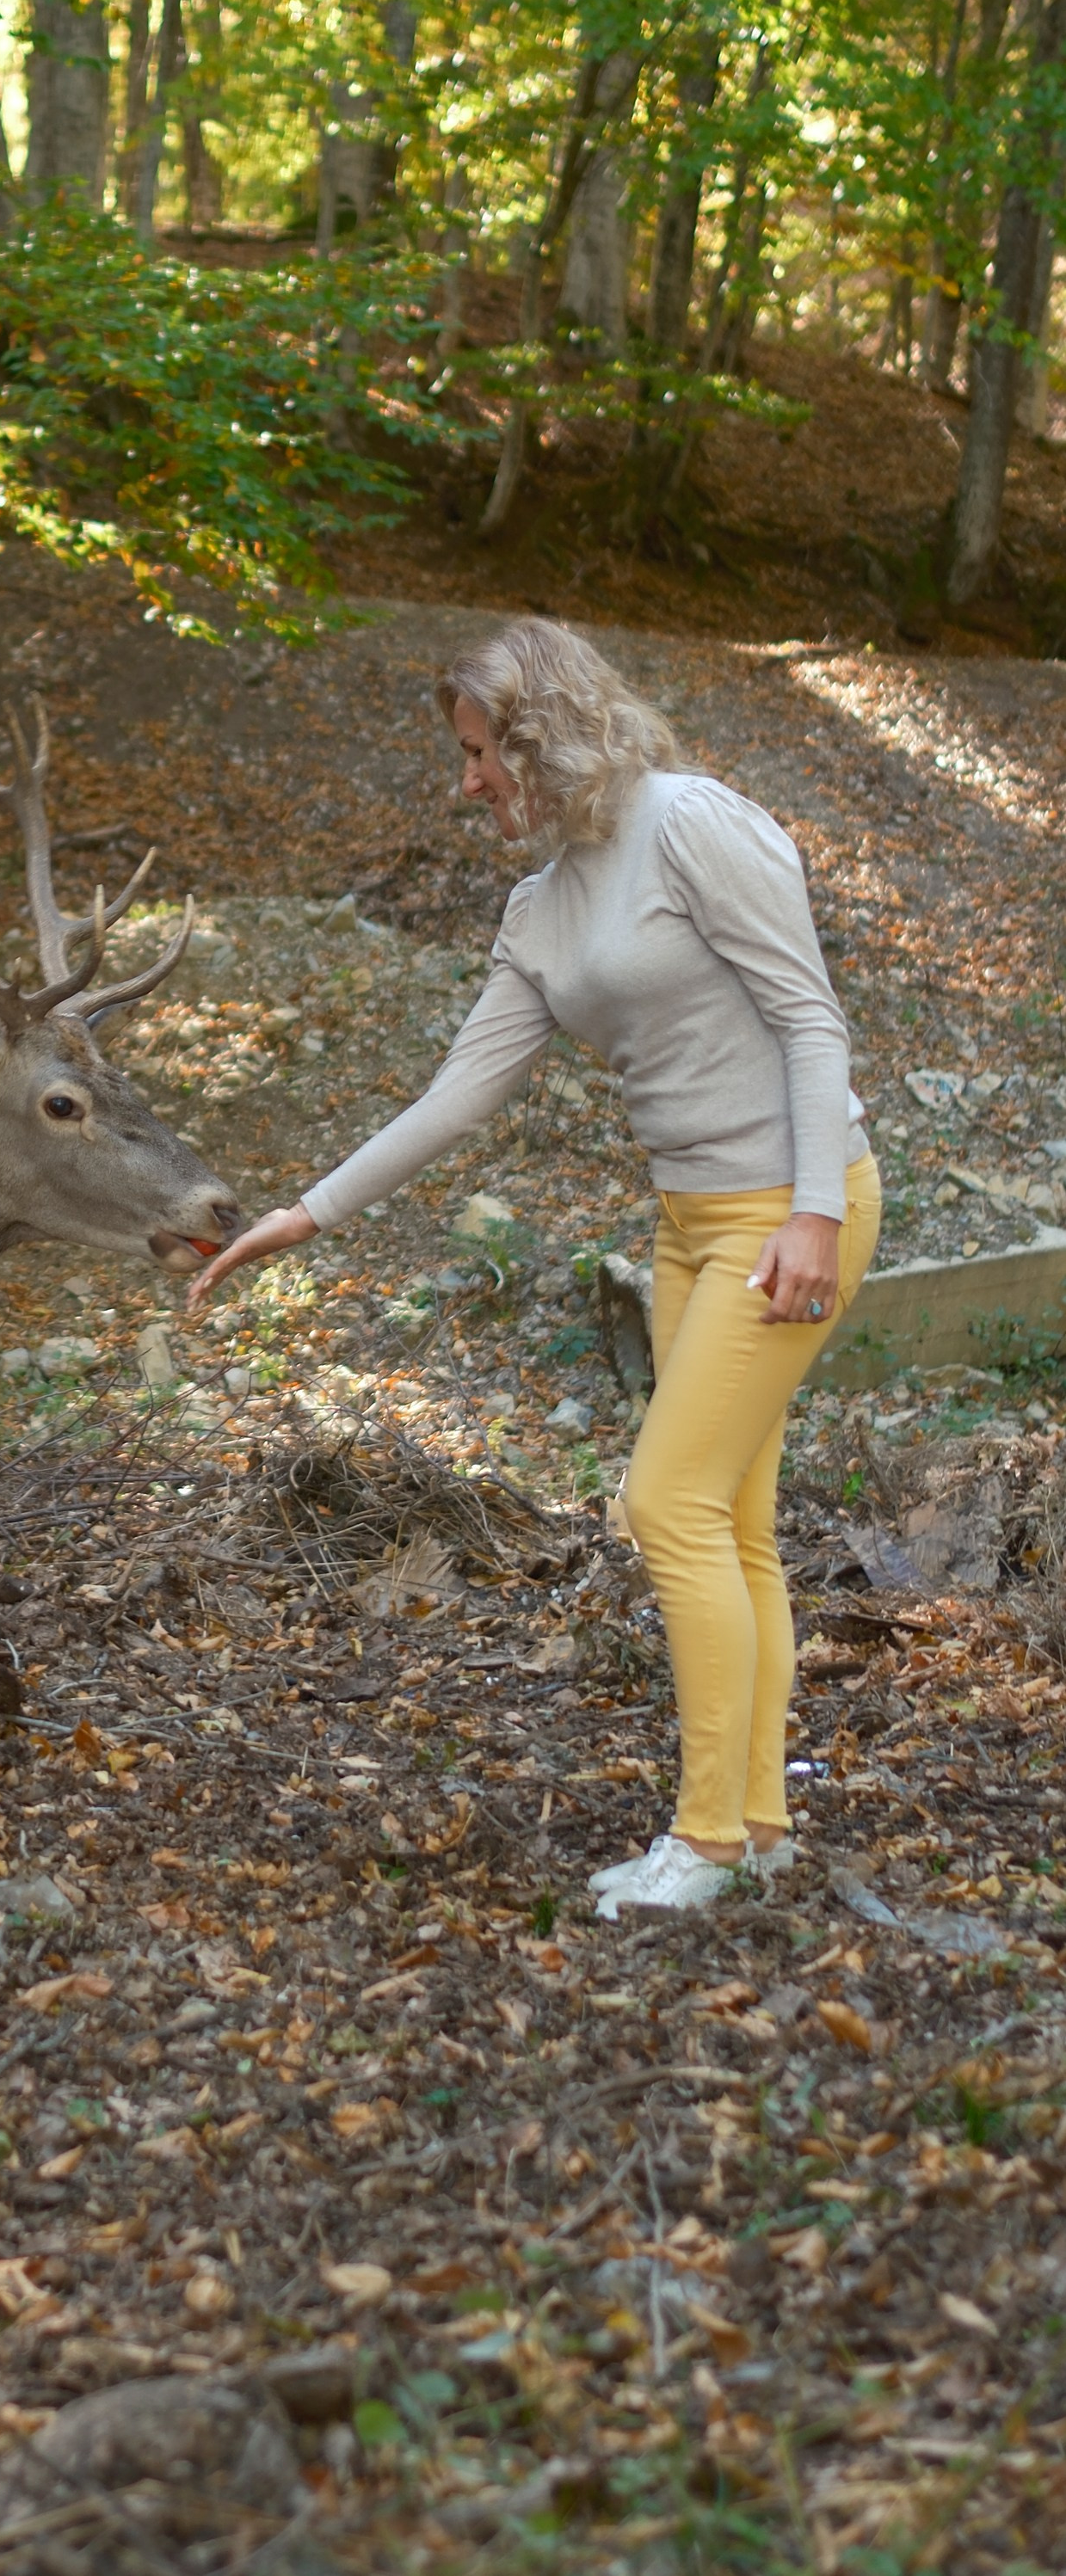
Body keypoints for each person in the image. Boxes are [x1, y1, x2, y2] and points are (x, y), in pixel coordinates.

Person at [187, 618, 881, 1915]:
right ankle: (761, 1828)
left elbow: (805, 1016)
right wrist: (306, 1212)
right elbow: (458, 1095)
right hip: (689, 1226)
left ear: (534, 732)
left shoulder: (690, 823)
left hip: (794, 1208)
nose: (465, 785)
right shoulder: (541, 905)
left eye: (473, 754)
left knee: (664, 1506)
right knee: (730, 1524)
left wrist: (810, 1220)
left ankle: (705, 1846)